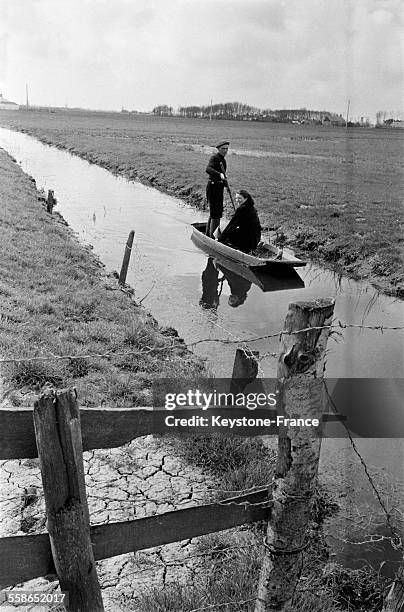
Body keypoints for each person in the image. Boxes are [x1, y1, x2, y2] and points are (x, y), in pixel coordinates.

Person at [205, 141, 229, 238]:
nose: (225, 151)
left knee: (217, 212)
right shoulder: (214, 158)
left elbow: (223, 176)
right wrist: (219, 174)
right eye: (223, 149)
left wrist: (226, 184)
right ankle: (212, 237)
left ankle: (209, 234)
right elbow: (208, 169)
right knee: (215, 213)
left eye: (227, 149)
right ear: (218, 149)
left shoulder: (223, 160)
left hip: (219, 188)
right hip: (213, 187)